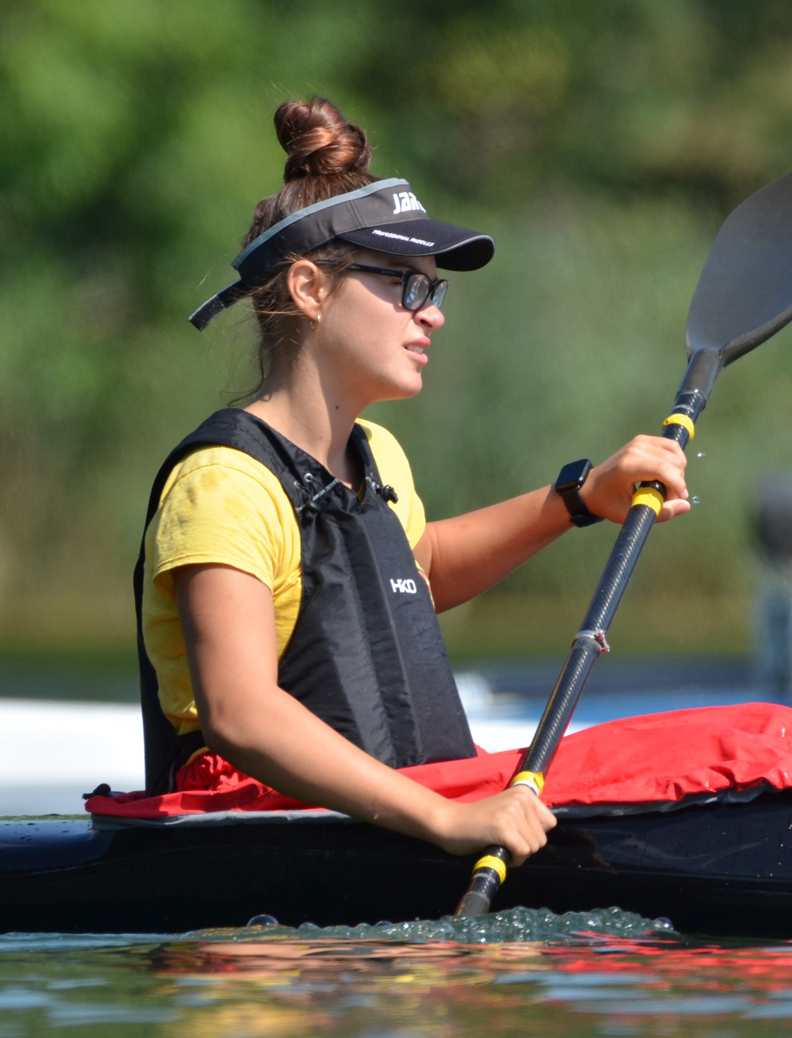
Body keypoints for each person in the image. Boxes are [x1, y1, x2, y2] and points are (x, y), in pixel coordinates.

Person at [134, 97, 691, 866]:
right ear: (308, 288)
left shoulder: (377, 456)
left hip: (396, 814)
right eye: (404, 284)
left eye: (433, 290)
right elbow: (240, 713)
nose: (430, 315)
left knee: (723, 737)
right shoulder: (224, 486)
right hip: (265, 833)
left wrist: (579, 499)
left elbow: (413, 573)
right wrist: (443, 820)